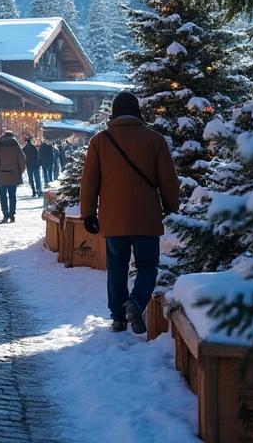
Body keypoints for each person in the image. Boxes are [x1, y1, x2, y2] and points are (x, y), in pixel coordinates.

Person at [80, 92, 180, 334]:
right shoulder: (155, 140)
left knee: (117, 268)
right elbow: (168, 179)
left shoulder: (100, 141)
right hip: (146, 216)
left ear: (114, 113)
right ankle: (135, 302)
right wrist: (171, 206)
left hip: (114, 218)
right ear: (138, 112)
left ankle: (118, 318)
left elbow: (90, 181)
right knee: (148, 265)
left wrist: (88, 213)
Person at [0, 130, 26, 222]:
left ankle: (5, 214)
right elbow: (22, 160)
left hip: (2, 175)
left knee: (3, 196)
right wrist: (20, 172)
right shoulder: (16, 146)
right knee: (12, 196)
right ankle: (12, 214)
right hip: (13, 175)